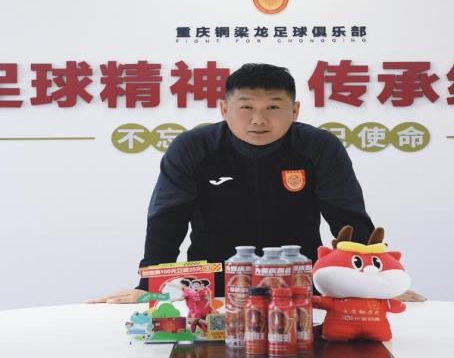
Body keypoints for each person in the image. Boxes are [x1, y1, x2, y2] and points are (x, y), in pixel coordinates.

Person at [88, 64, 425, 303]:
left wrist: (371, 282)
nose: (258, 119)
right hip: (211, 287)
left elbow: (347, 217)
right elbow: (167, 218)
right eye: (246, 107)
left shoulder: (319, 147)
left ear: (295, 110)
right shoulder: (193, 148)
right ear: (224, 109)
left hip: (299, 283)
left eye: (273, 107)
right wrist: (148, 285)